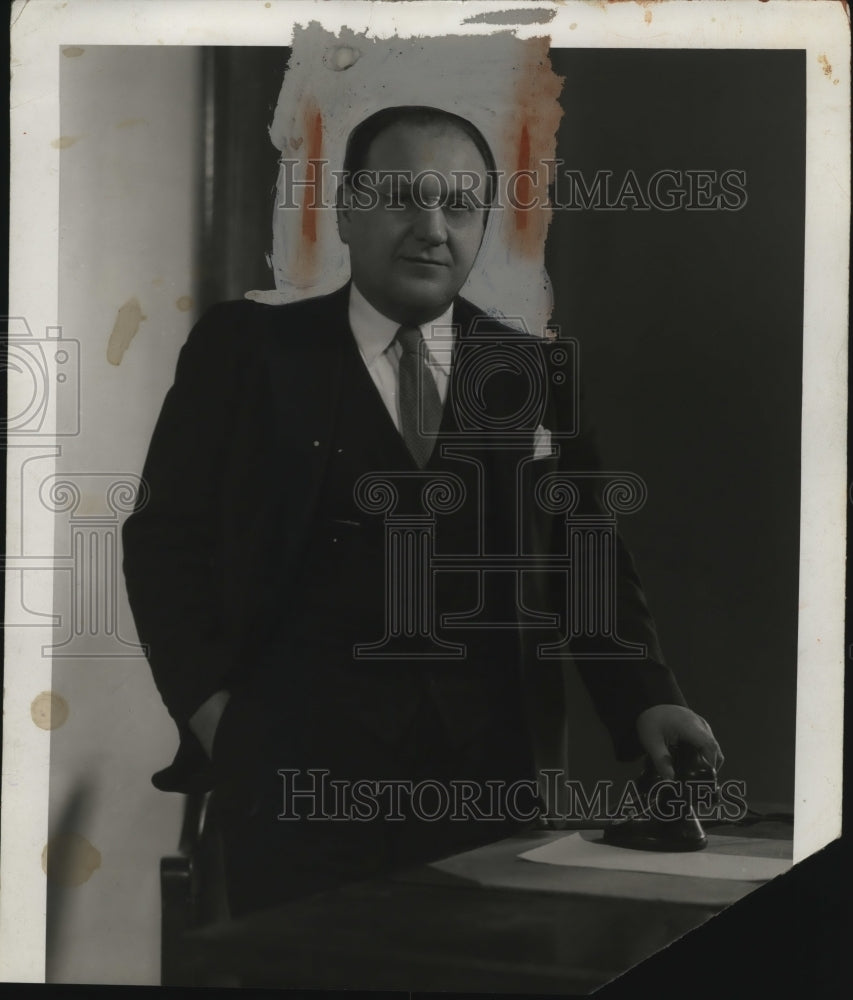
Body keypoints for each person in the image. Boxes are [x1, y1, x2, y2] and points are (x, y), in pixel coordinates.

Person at [123, 105, 722, 917]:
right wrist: (216, 720)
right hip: (292, 789)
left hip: (490, 791)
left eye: (460, 205)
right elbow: (164, 544)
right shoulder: (245, 351)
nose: (431, 229)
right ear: (345, 208)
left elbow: (588, 561)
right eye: (402, 196)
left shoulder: (530, 369)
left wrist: (647, 695)